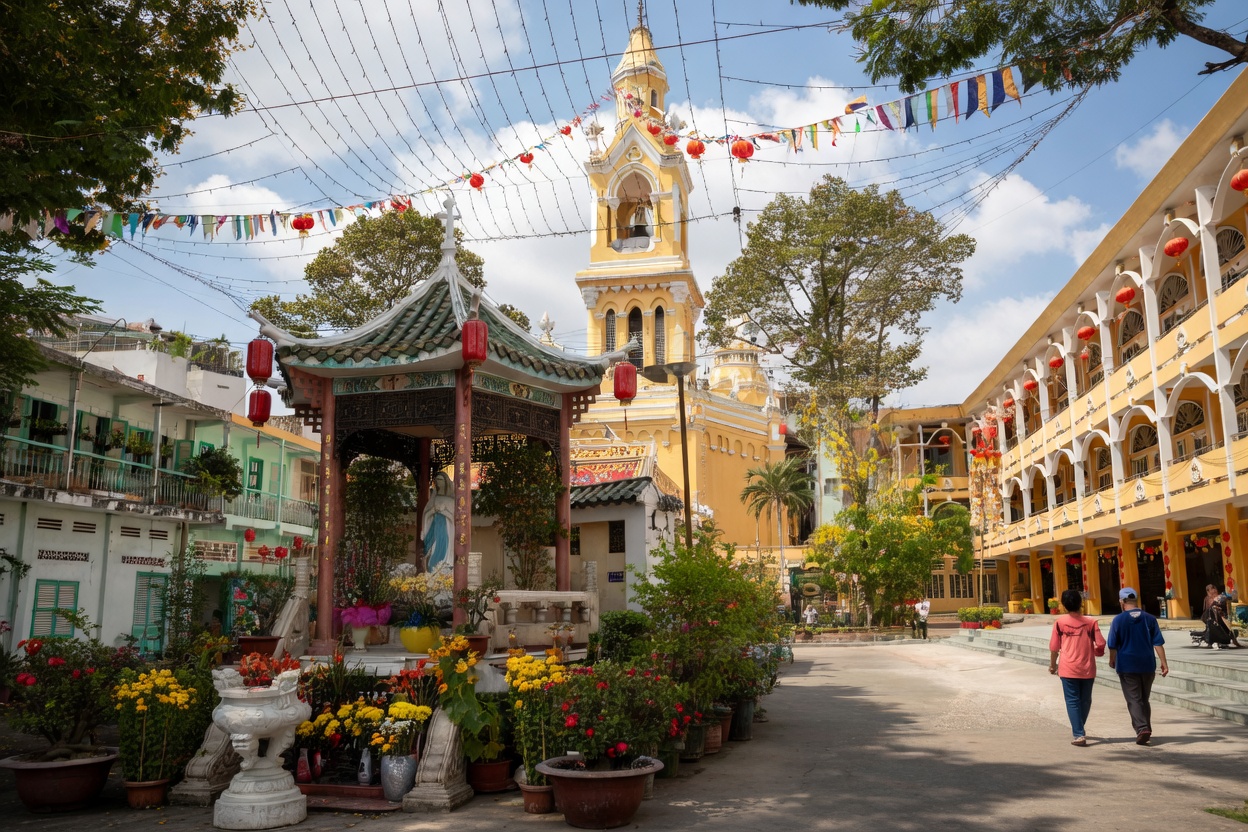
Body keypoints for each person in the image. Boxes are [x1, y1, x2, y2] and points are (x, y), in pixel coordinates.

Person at [1106, 587, 1169, 745]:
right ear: (1136, 600)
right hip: (1147, 665)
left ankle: (1142, 728)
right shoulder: (1150, 618)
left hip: (1127, 665)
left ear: (1122, 601)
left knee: (1134, 699)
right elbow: (1158, 643)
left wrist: (1112, 659)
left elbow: (1112, 644)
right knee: (1143, 699)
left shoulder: (1118, 620)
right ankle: (1145, 728)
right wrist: (1164, 662)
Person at [1048, 589, 1106, 746]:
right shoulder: (1090, 622)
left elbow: (1054, 648)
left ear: (1064, 605)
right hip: (1087, 667)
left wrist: (1053, 665)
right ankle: (1079, 728)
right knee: (1085, 700)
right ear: (1081, 603)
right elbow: (1101, 643)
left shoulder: (1060, 623)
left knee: (1072, 700)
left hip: (1067, 668)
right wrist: (1097, 652)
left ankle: (1079, 733)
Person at [422, 472, 454, 572]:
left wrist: (443, 512)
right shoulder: (434, 498)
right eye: (436, 480)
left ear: (446, 481)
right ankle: (432, 571)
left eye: (440, 480)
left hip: (447, 529)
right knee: (433, 552)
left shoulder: (451, 499)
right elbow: (426, 515)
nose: (438, 482)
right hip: (435, 528)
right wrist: (433, 511)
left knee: (445, 549)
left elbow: (455, 519)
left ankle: (443, 569)